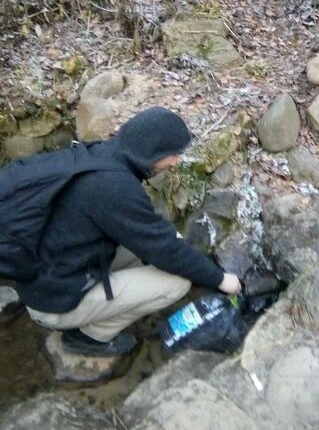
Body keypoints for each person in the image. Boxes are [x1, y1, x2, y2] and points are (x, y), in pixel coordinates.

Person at [15, 106, 241, 357]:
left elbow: (148, 232)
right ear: (151, 153)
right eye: (173, 154)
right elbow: (165, 250)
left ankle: (98, 307)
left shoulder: (102, 156)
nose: (176, 161)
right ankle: (88, 337)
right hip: (52, 302)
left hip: (45, 272)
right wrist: (223, 281)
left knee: (160, 248)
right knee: (176, 283)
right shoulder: (114, 188)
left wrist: (172, 245)